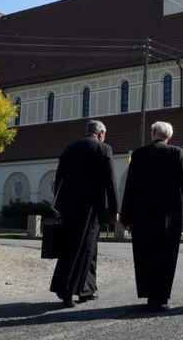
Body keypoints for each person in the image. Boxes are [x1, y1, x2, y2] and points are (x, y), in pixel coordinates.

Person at [120, 121, 183, 312]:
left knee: (145, 254)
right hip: (168, 214)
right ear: (169, 137)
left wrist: (126, 217)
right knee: (166, 254)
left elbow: (129, 186)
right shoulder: (176, 153)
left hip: (142, 214)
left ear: (152, 133)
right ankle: (161, 297)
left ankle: (149, 294)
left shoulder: (138, 154)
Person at [49, 120, 119, 308]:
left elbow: (59, 180)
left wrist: (59, 208)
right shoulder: (104, 149)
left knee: (78, 246)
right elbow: (110, 183)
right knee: (84, 248)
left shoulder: (69, 149)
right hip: (91, 207)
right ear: (100, 134)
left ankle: (87, 289)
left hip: (70, 206)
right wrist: (114, 210)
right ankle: (67, 290)